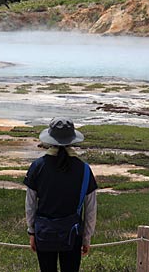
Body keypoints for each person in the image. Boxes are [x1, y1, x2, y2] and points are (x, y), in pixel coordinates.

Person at [24, 117, 98, 272]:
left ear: (50, 140)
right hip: (73, 234)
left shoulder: (37, 167)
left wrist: (31, 231)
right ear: (72, 140)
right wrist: (87, 238)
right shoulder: (84, 169)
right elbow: (91, 209)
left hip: (43, 233)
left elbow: (30, 204)